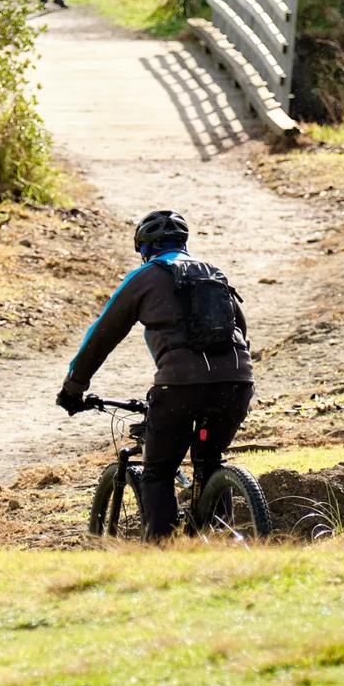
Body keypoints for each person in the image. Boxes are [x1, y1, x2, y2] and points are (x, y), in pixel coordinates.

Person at [57, 210, 253, 540]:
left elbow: (102, 335)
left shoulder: (144, 278)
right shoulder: (214, 273)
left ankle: (163, 553)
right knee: (209, 460)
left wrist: (73, 388)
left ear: (144, 248)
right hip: (237, 383)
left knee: (158, 471)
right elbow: (241, 331)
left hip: (179, 387)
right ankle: (221, 538)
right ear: (183, 243)